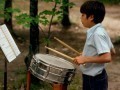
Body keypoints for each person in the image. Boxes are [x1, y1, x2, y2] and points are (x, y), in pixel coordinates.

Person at [73, 1, 116, 90]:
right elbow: (112, 51)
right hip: (97, 77)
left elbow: (107, 57)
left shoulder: (97, 34)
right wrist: (88, 54)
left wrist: (85, 59)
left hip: (94, 80)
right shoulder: (101, 30)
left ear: (91, 17)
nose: (81, 18)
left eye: (83, 15)